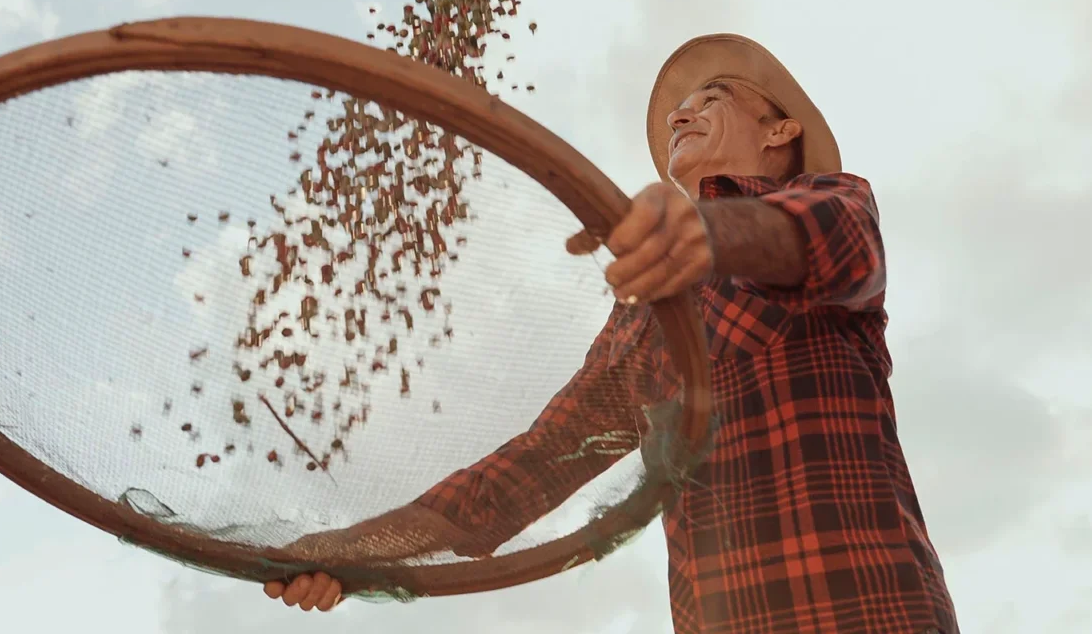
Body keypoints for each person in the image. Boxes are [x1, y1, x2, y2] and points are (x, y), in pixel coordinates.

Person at [263, 34, 960, 634]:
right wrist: (355, 550)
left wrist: (705, 232)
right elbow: (522, 475)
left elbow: (804, 239)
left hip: (866, 610)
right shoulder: (644, 316)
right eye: (674, 116)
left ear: (779, 131)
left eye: (711, 97)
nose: (680, 115)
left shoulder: (833, 202)